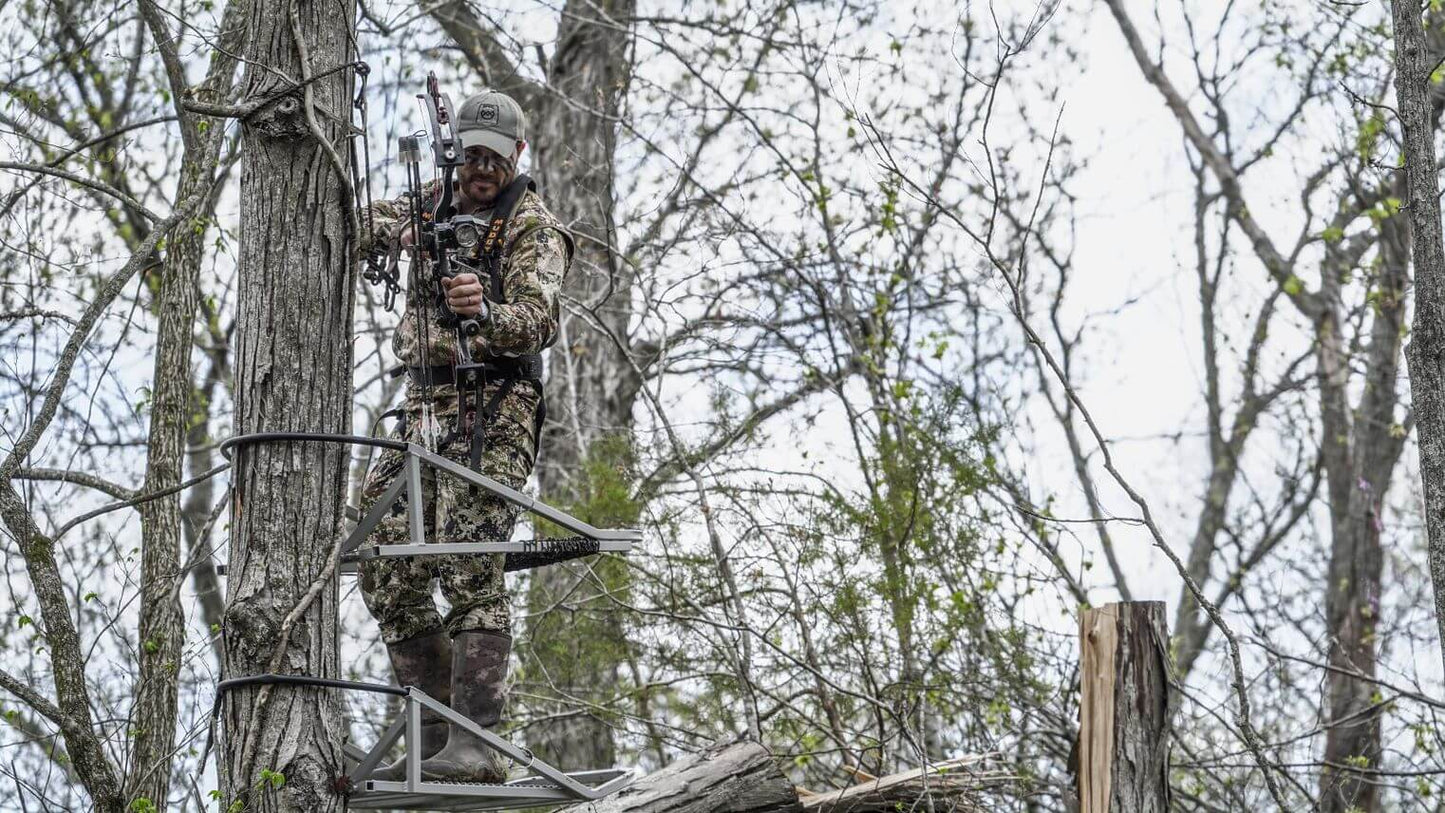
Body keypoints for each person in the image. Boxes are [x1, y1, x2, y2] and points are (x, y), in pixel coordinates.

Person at [356, 88, 571, 783]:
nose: (479, 171)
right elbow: (364, 222)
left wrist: (485, 310)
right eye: (469, 157)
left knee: (468, 557)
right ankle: (433, 739)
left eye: (492, 160)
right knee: (383, 565)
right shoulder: (430, 201)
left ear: (517, 157)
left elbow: (538, 319)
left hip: (495, 404)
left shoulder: (531, 226)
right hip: (420, 403)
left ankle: (476, 747)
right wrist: (393, 232)